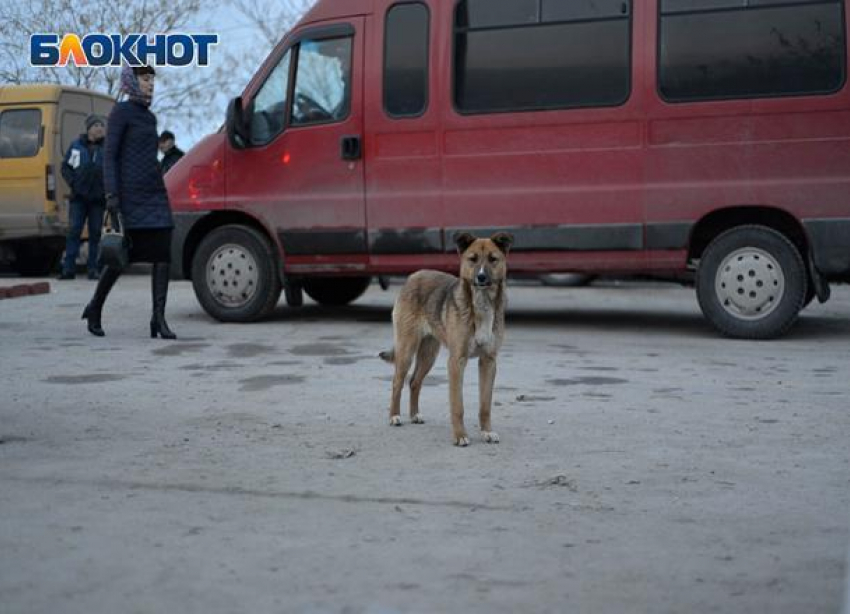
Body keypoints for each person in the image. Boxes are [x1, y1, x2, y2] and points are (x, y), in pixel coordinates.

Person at [82, 64, 177, 340]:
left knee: (163, 252)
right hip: (129, 195)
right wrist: (111, 195)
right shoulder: (121, 112)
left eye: (152, 79)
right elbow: (110, 156)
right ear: (131, 81)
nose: (150, 84)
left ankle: (158, 319)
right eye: (145, 79)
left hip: (154, 193)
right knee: (121, 256)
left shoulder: (150, 118)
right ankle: (95, 306)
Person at [58, 115, 106, 280]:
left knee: (95, 234)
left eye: (102, 125)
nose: (100, 128)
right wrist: (74, 183)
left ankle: (93, 269)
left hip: (98, 200)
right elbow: (65, 167)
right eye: (97, 125)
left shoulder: (106, 148)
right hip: (79, 198)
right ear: (89, 129)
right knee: (74, 231)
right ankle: (68, 269)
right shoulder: (77, 146)